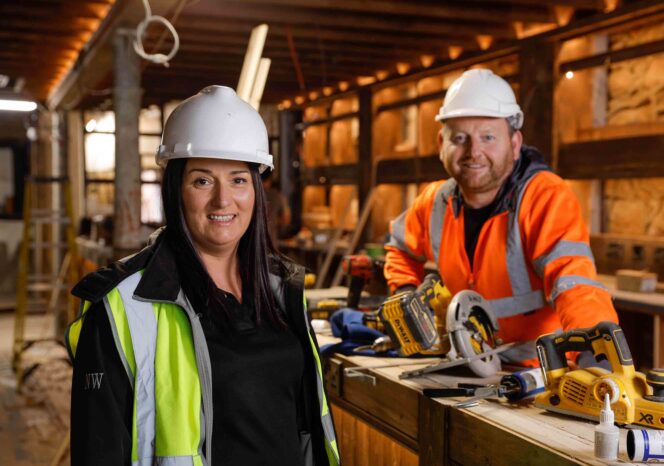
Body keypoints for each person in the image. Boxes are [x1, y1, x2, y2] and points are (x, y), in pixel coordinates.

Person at [66, 85, 339, 466]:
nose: (223, 200)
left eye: (239, 180)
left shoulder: (281, 289)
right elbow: (98, 452)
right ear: (175, 189)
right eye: (202, 180)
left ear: (257, 191)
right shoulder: (123, 307)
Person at [384, 69, 618, 366]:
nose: (474, 151)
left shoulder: (544, 196)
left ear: (515, 143)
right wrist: (405, 295)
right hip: (467, 364)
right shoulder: (434, 201)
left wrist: (594, 349)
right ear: (440, 144)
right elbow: (399, 249)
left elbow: (574, 282)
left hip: (538, 373)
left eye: (488, 137)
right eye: (460, 138)